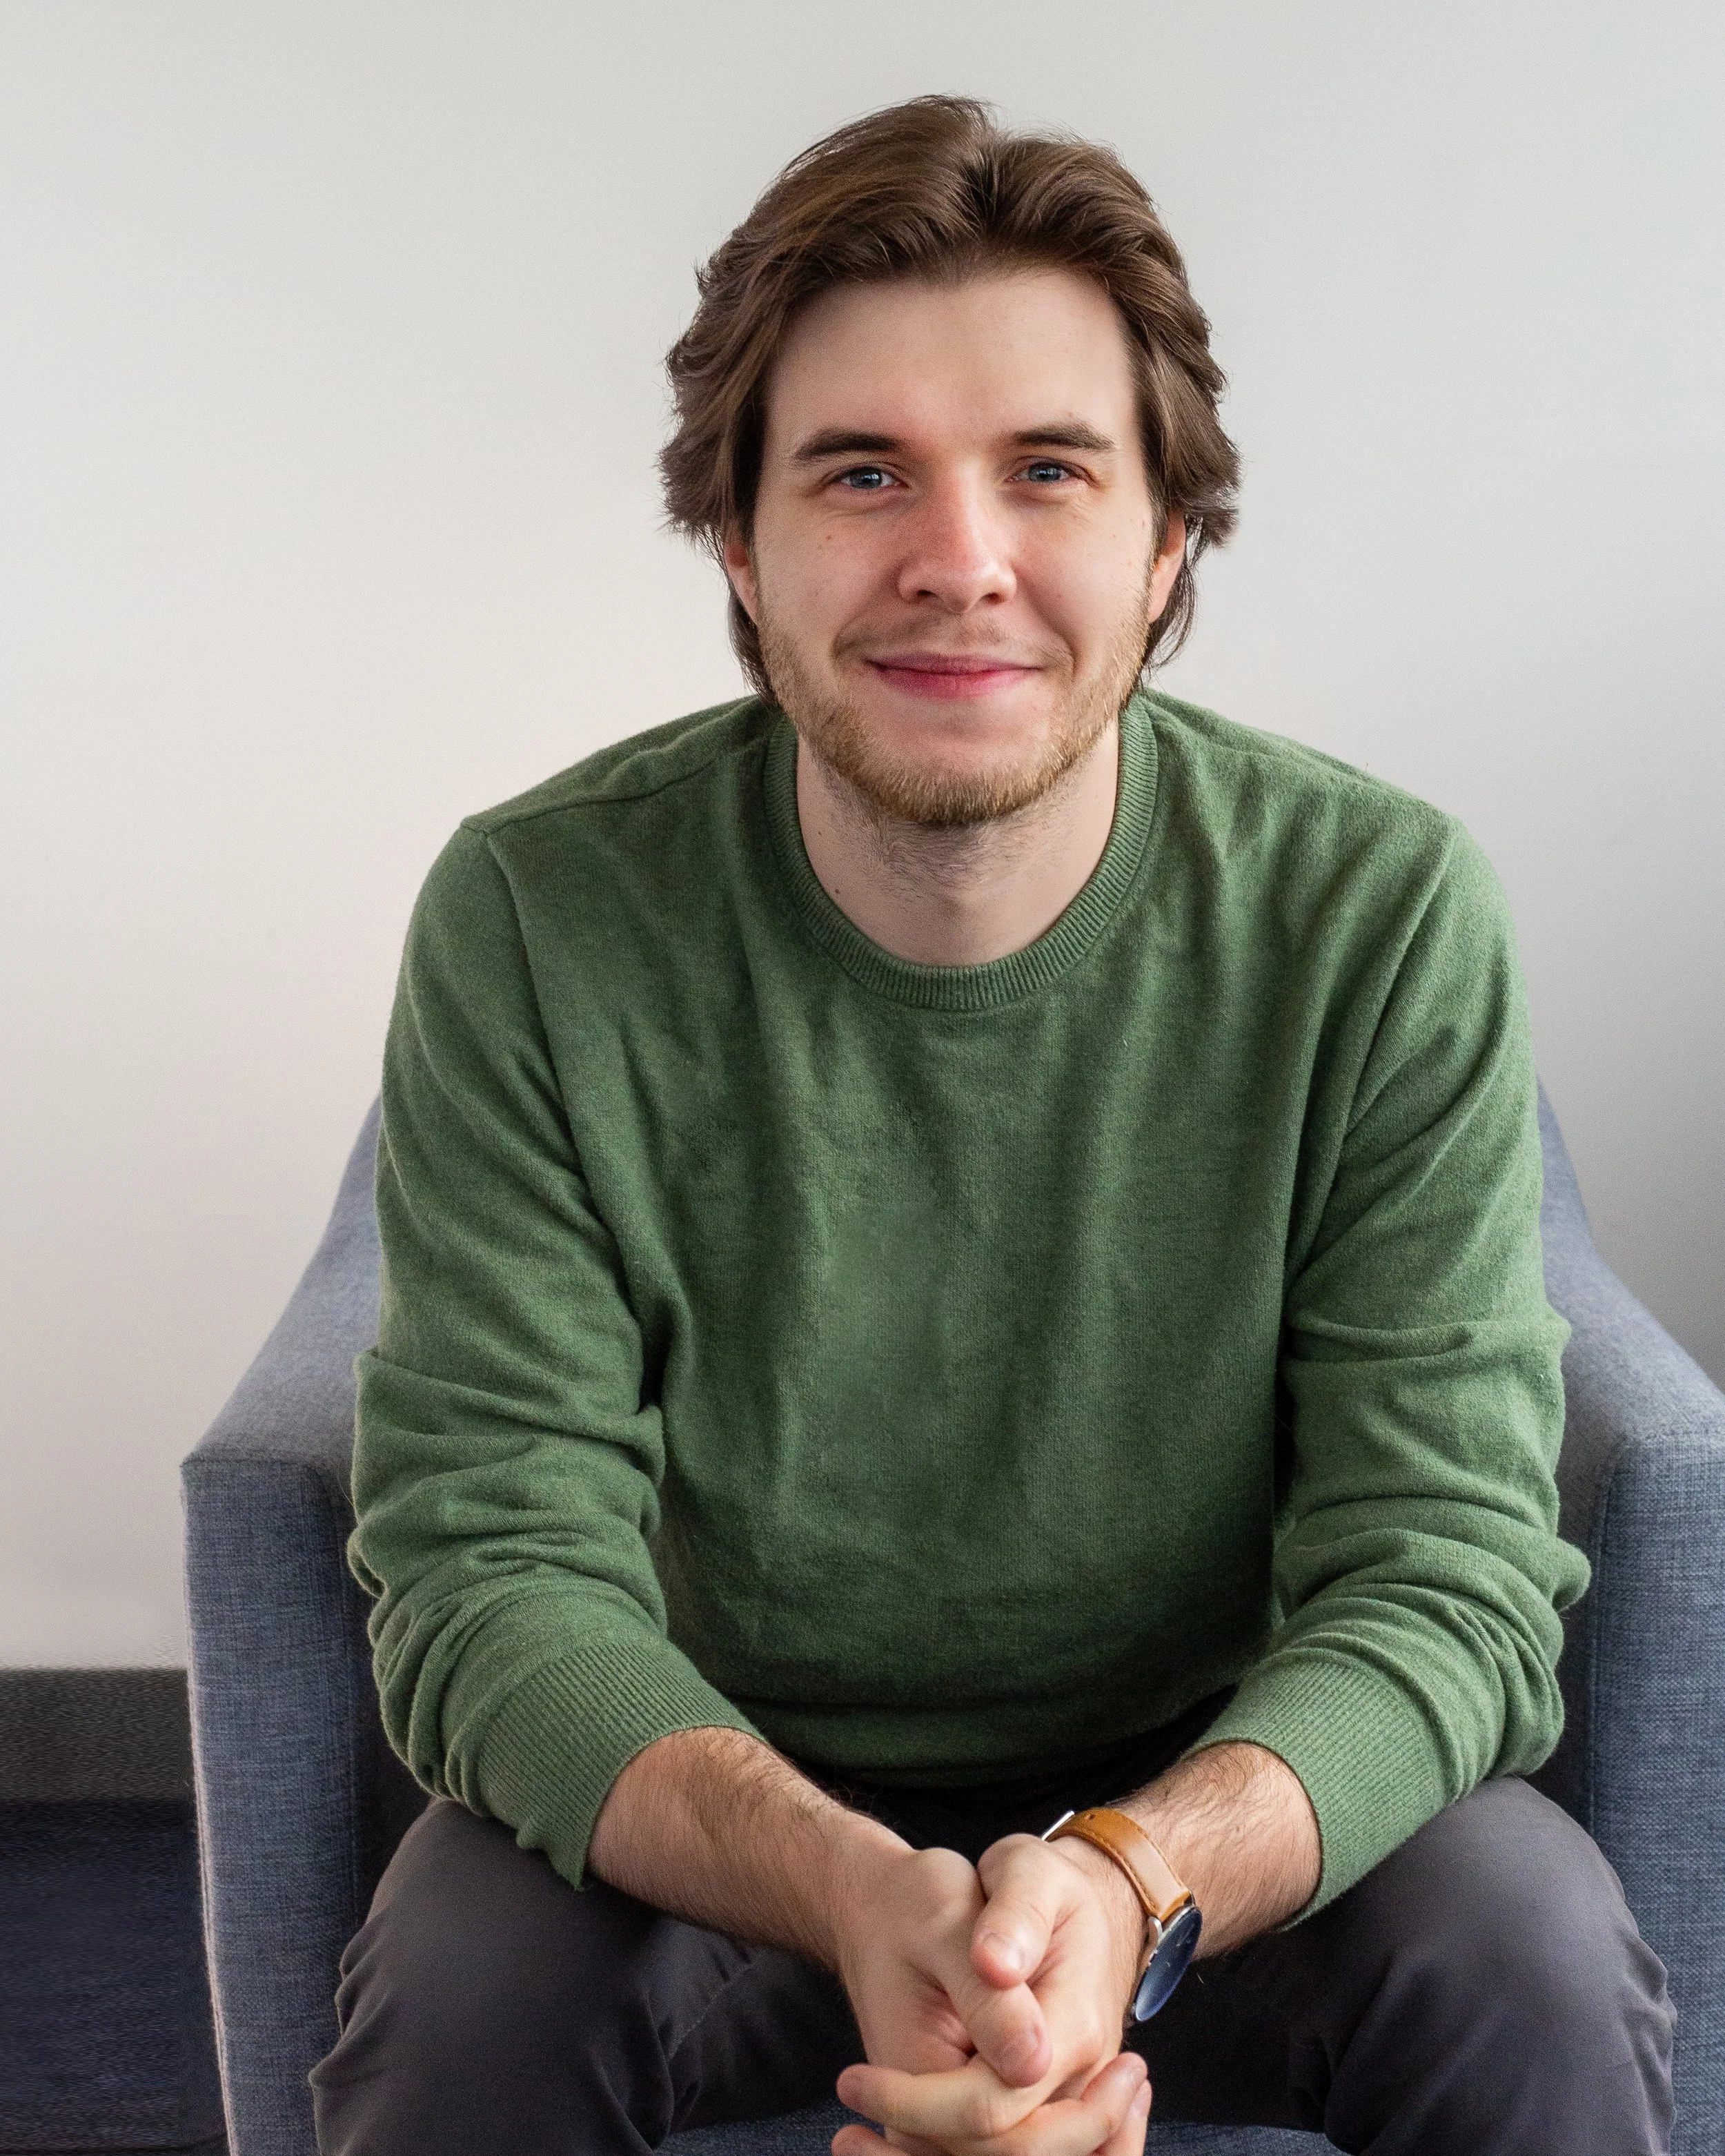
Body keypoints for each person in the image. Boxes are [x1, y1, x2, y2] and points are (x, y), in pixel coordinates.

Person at [310, 95, 1673, 2156]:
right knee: (462, 1987)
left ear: (1164, 546)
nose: (957, 559)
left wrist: (1128, 1873)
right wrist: (861, 1888)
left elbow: (1445, 1568)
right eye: (860, 473)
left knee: (1527, 1951)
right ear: (739, 550)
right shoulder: (536, 916)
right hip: (740, 1813)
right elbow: (491, 1566)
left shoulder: (1375, 913)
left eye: (1047, 469)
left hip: (1214, 1799)